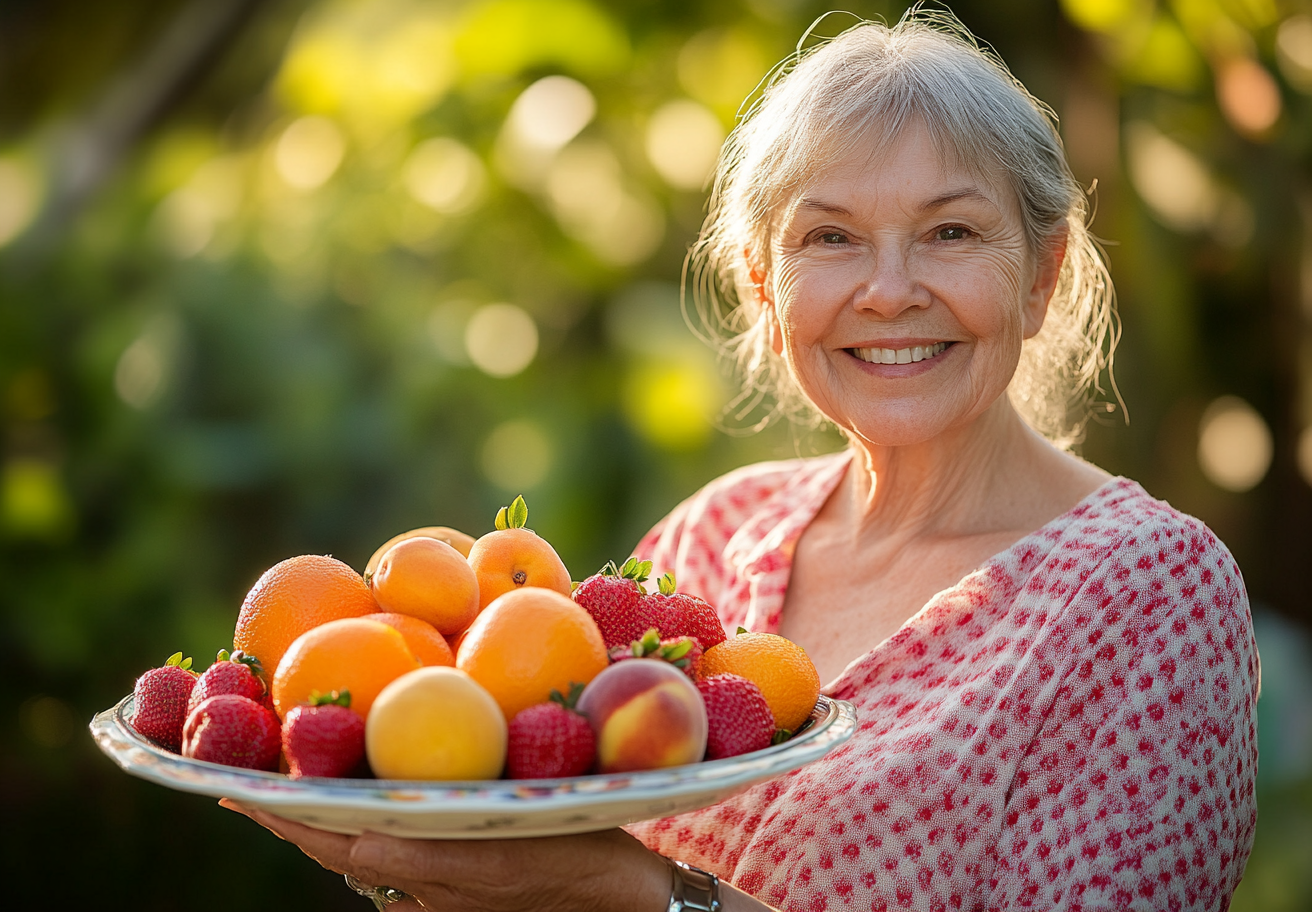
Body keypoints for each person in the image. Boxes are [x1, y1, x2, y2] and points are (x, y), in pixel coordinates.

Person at [225, 12, 1259, 911]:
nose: (888, 290)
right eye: (830, 240)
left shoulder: (1147, 593)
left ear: (1041, 276)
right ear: (764, 287)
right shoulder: (713, 538)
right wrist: (418, 867)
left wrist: (649, 899)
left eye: (950, 231)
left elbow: (607, 886)